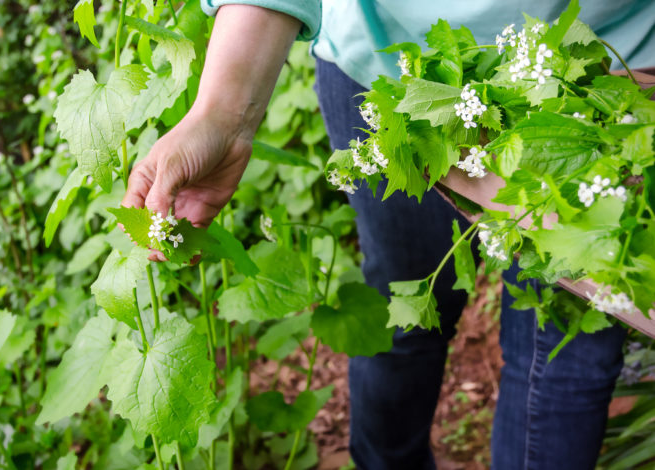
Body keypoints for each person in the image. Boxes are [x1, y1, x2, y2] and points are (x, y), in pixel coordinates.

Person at [122, 1, 655, 469]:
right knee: (405, 314)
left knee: (568, 353)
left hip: (610, 78)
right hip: (390, 75)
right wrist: (223, 113)